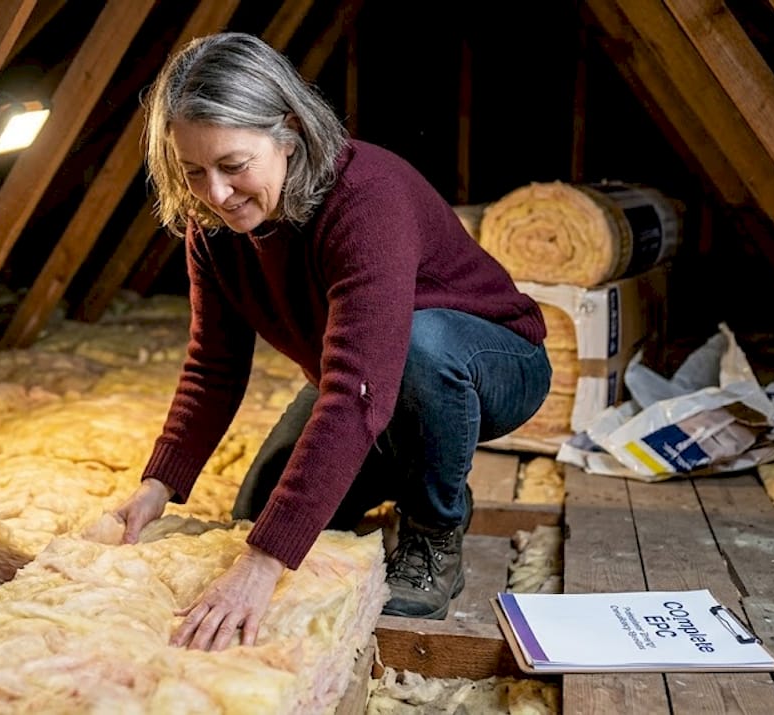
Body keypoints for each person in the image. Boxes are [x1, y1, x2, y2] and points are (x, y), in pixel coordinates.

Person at [104, 32, 551, 652]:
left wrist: (262, 568)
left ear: (288, 131)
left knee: (415, 350)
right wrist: (158, 484)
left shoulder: (367, 197)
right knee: (257, 513)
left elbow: (353, 393)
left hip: (490, 361)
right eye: (193, 172)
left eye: (234, 166)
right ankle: (413, 463)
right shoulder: (212, 225)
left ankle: (433, 528)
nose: (216, 194)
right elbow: (214, 366)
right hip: (370, 379)